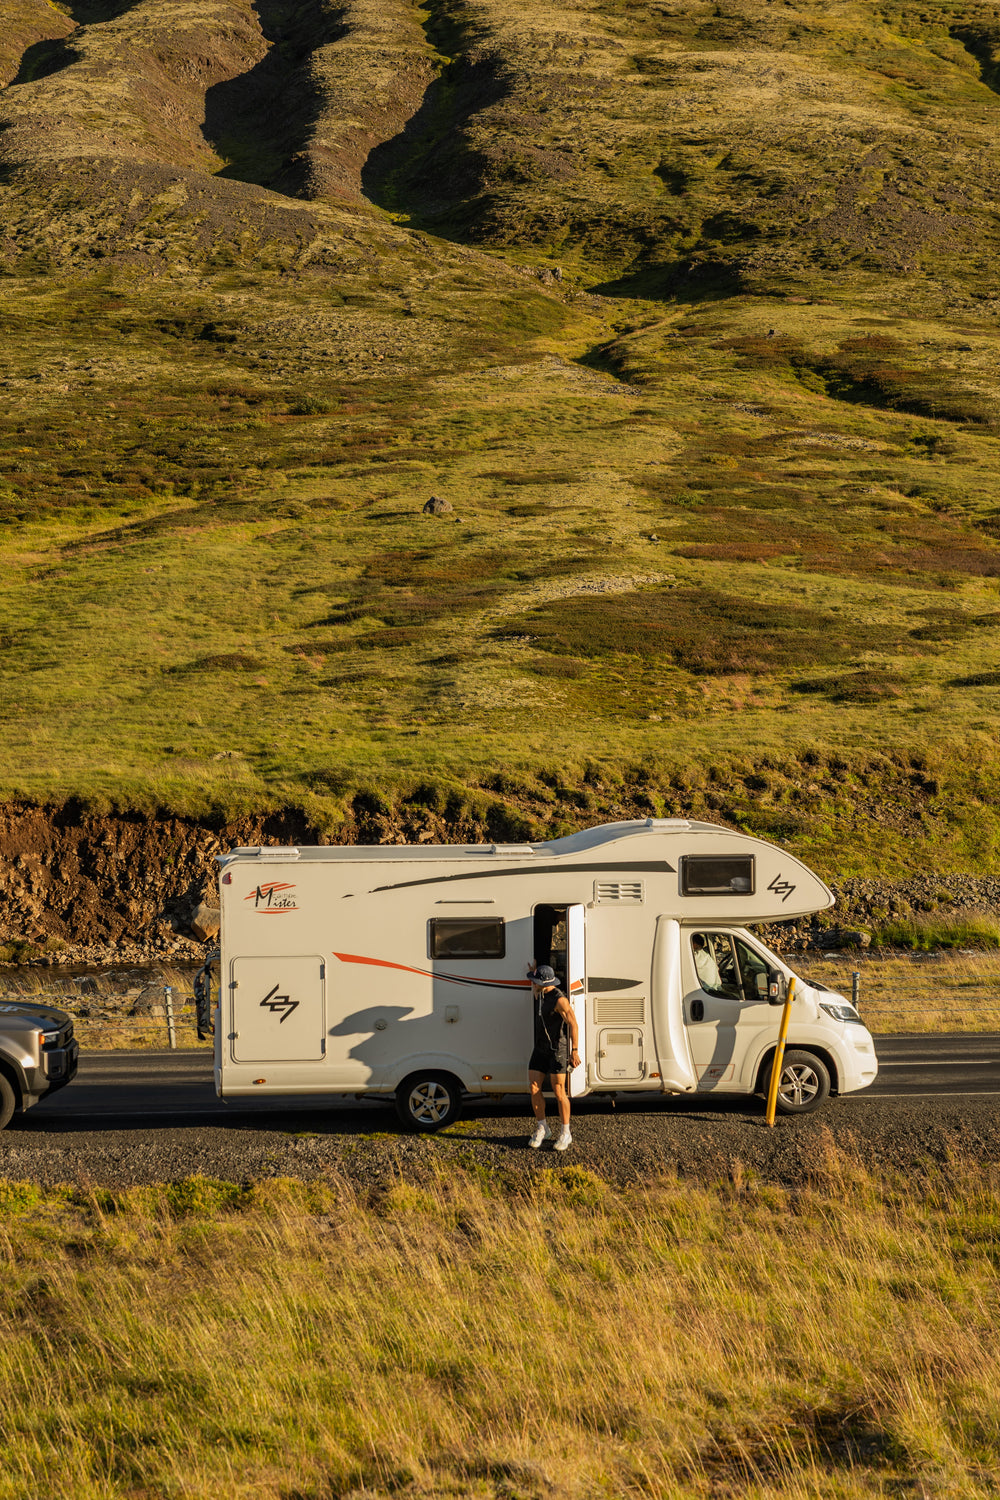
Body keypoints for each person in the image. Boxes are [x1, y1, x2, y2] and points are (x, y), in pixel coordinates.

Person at [526, 963, 580, 1152]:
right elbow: (534, 981)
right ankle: (543, 1128)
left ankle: (566, 1132)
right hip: (540, 1048)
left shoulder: (559, 1000)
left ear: (543, 983)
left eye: (535, 980)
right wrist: (534, 969)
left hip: (558, 1049)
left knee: (559, 1092)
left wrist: (574, 1051)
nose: (532, 983)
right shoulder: (539, 992)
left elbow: (573, 1024)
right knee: (534, 1087)